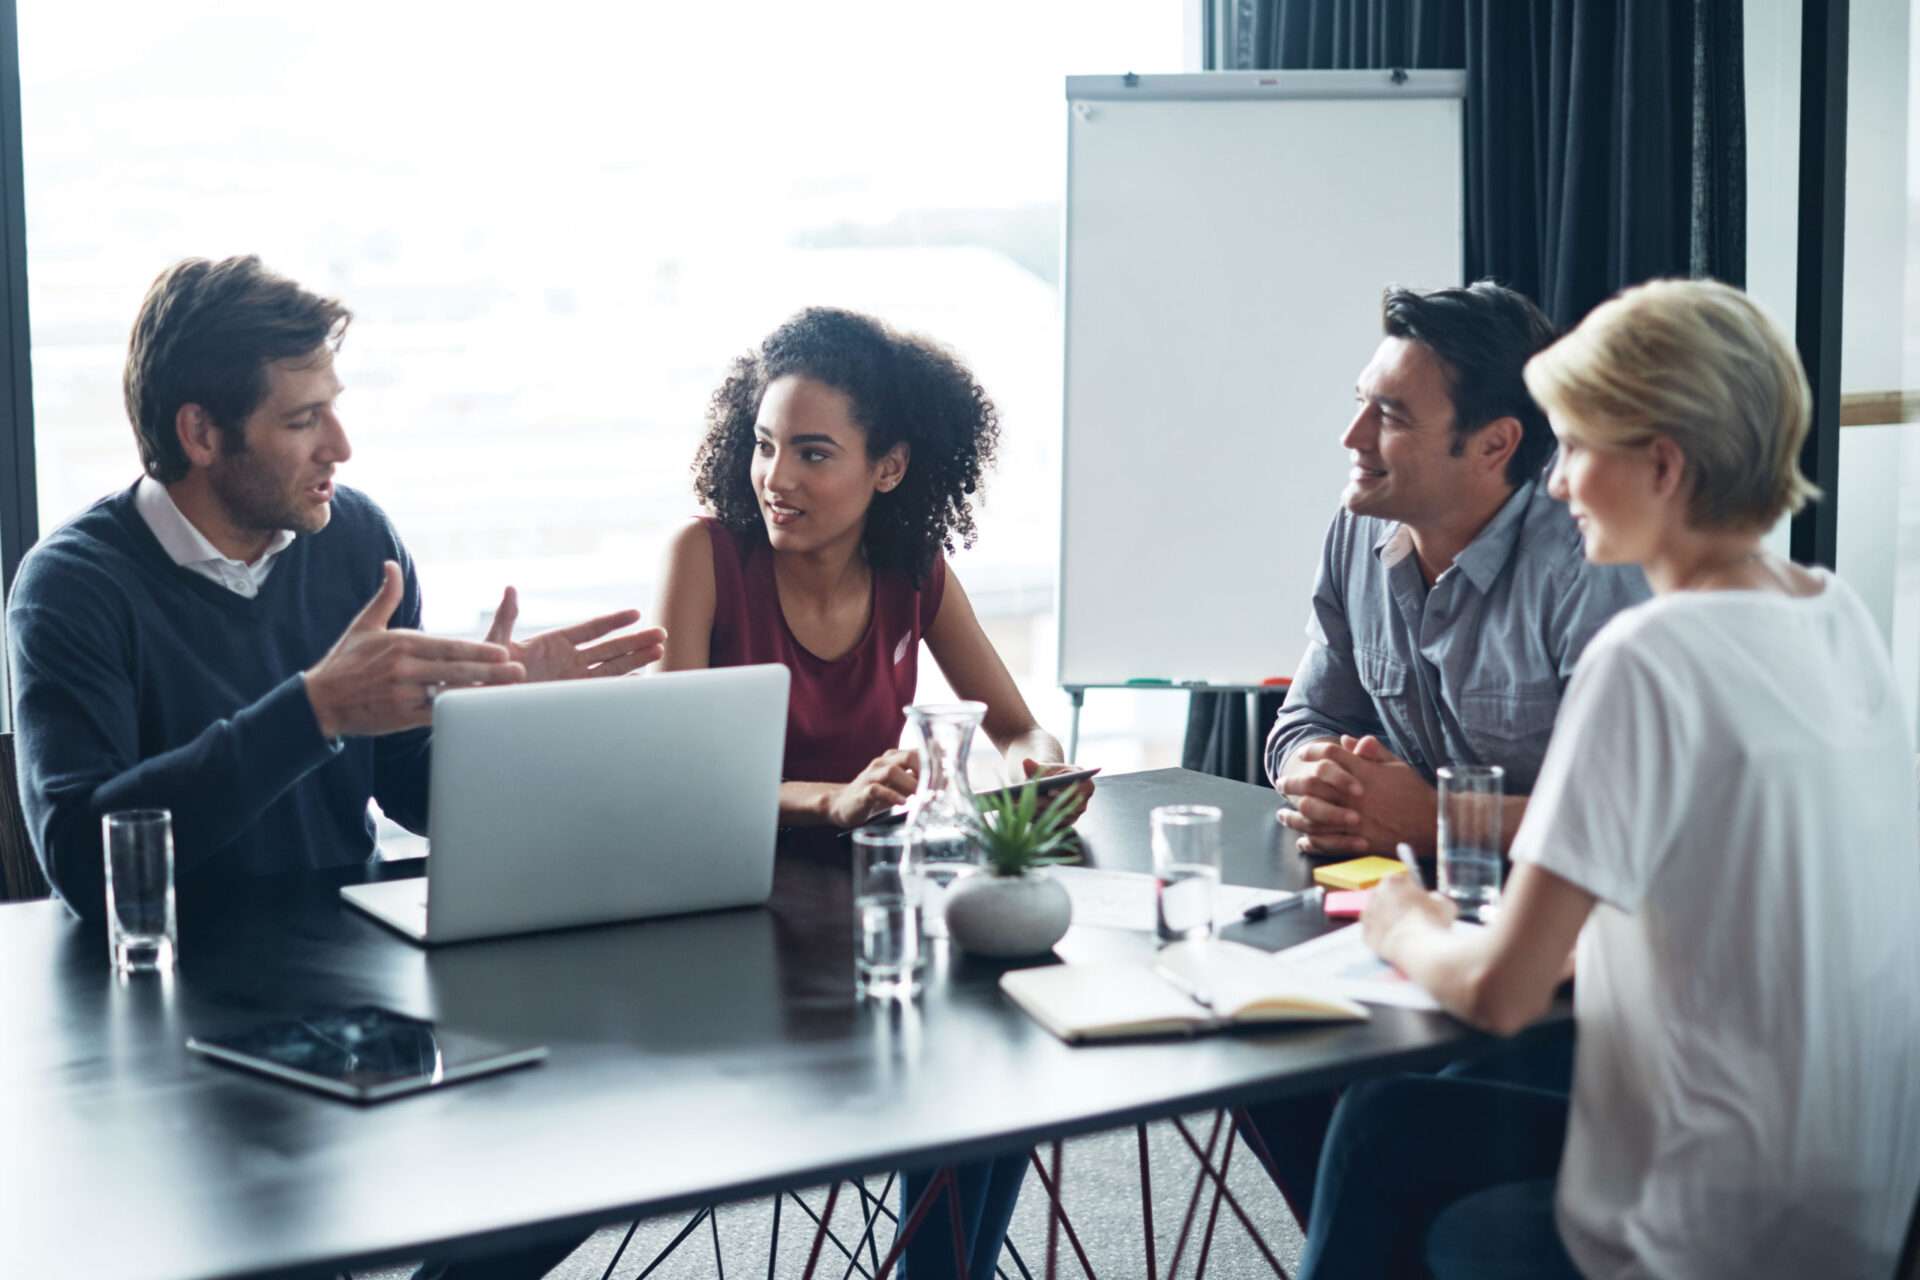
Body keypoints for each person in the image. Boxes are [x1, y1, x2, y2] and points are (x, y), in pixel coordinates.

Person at [8, 255, 663, 1279]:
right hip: (174, 1003)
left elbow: (405, 779)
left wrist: (506, 725)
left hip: (348, 968)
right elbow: (84, 855)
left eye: (336, 409)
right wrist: (313, 709)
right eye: (304, 418)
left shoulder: (354, 537)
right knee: (284, 1233)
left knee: (584, 1143)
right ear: (200, 433)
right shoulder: (72, 587)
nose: (342, 447)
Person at [1299, 278, 1920, 1278]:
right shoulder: (1835, 613)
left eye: (1578, 446)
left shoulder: (1652, 654)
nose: (1553, 482)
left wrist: (1402, 918)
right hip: (1855, 1205)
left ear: (1663, 466)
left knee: (1384, 1127)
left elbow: (1502, 990)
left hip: (1704, 1228)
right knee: (1405, 1124)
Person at [653, 307, 1084, 1279]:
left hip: (864, 906)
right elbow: (681, 774)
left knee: (995, 1045)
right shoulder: (708, 556)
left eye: (813, 453)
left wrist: (1036, 765)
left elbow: (1015, 723)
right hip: (726, 904)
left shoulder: (915, 572)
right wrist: (832, 800)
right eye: (765, 447)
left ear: (889, 466)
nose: (777, 477)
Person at [1245, 281, 1649, 1220]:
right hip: (1403, 911)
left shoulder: (1590, 567)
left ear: (1496, 443)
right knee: (1256, 1052)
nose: (1352, 440)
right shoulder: (1357, 525)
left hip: (1572, 958)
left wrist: (1424, 812)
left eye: (1387, 417)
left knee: (1387, 1119)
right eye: (1360, 404)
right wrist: (1318, 775)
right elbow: (1302, 719)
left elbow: (1626, 822)